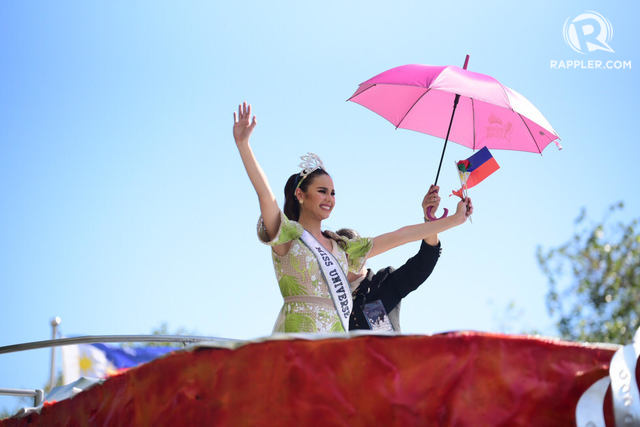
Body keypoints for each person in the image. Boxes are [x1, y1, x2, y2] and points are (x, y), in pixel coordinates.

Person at [233, 102, 472, 333]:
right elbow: (266, 197)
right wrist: (244, 145)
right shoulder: (288, 236)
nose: (329, 198)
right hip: (296, 342)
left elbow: (400, 236)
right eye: (322, 191)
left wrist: (453, 220)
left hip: (337, 355)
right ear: (300, 194)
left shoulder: (343, 249)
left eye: (333, 193)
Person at [341, 185, 469, 331]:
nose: (347, 260)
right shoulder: (330, 292)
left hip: (387, 353)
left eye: (352, 253)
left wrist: (430, 222)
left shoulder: (381, 284)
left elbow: (424, 261)